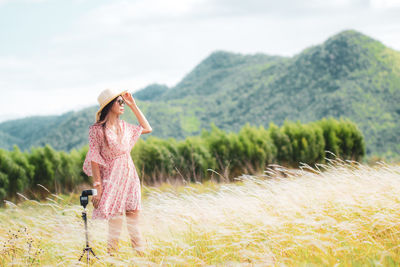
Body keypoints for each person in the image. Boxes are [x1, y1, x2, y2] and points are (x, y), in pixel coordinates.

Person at [82, 88, 152, 256]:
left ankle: (143, 262)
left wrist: (133, 104)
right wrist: (98, 187)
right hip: (112, 180)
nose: (123, 104)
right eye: (119, 101)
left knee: (135, 228)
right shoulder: (97, 130)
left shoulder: (125, 127)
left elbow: (147, 127)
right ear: (109, 105)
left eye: (123, 102)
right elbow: (94, 157)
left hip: (130, 179)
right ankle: (112, 261)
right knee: (115, 231)